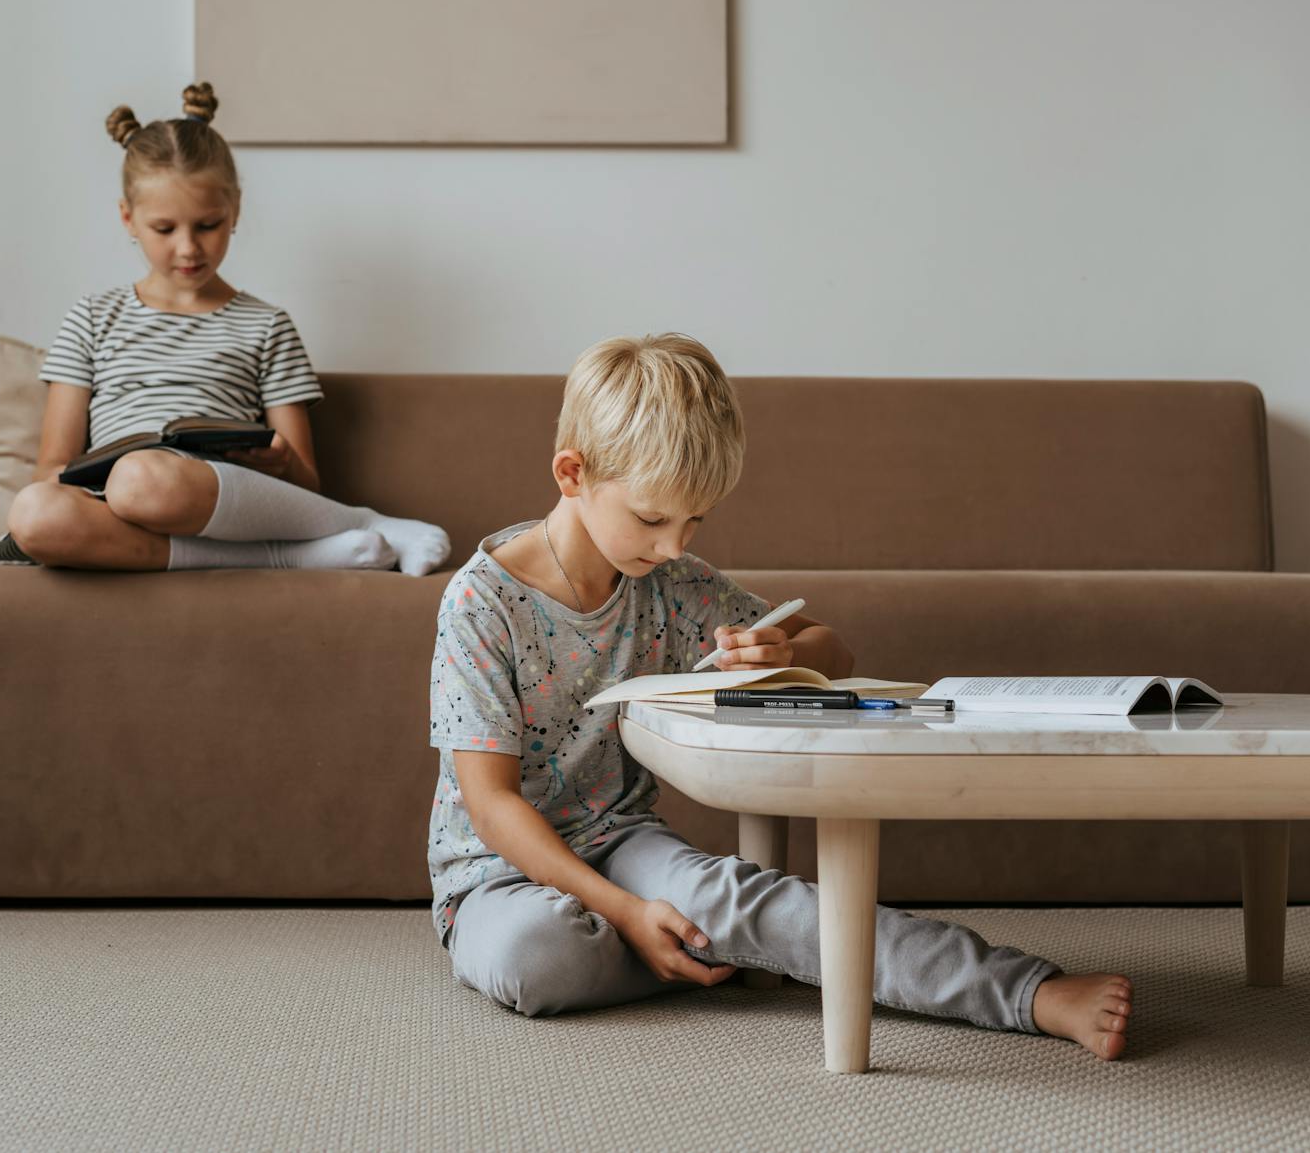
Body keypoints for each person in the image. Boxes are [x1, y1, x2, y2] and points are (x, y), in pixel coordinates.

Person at [426, 333, 1134, 1059]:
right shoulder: (483, 603)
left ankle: (1026, 991)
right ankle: (730, 945)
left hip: (623, 842)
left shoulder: (670, 581)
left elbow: (834, 646)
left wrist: (788, 652)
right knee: (539, 958)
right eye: (652, 518)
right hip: (493, 878)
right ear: (572, 472)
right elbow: (492, 804)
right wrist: (628, 913)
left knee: (753, 904)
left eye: (694, 520)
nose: (674, 545)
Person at [0, 82, 450, 575]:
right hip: (113, 504)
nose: (188, 248)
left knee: (142, 479)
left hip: (214, 495)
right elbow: (51, 466)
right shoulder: (91, 318)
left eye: (207, 225)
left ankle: (365, 522)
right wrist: (85, 480)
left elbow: (306, 479)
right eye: (165, 229)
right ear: (128, 219)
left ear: (236, 212)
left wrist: (279, 461)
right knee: (34, 512)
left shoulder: (266, 324)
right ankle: (291, 556)